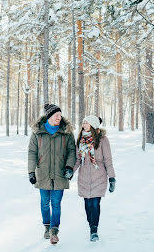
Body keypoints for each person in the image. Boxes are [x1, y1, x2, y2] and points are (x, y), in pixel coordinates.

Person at [27, 103, 77, 245]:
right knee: (44, 203)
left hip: (60, 174)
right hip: (43, 174)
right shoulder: (38, 132)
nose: (59, 118)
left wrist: (69, 167)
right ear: (49, 116)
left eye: (60, 115)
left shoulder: (66, 132)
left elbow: (72, 151)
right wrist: (31, 171)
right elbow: (32, 153)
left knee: (56, 203)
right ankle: (47, 226)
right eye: (57, 115)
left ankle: (54, 231)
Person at [73, 115, 116, 242]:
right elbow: (77, 160)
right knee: (87, 204)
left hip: (99, 176)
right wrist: (70, 172)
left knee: (95, 203)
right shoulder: (80, 140)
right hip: (84, 176)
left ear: (92, 125)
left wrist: (112, 178)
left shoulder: (103, 140)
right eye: (83, 122)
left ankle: (94, 229)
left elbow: (108, 160)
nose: (83, 125)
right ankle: (91, 224)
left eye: (86, 123)